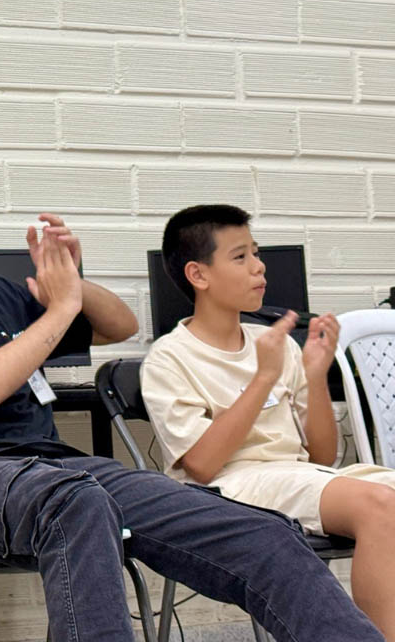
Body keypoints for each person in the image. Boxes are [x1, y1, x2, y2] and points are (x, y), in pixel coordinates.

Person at [0, 166, 385, 642]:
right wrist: (58, 310)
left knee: (262, 532)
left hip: (61, 468)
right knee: (75, 502)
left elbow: (118, 325)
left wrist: (73, 281)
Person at [141, 203, 395, 637]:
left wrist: (314, 375)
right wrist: (264, 377)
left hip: (298, 476)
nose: (259, 267)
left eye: (256, 254)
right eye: (240, 257)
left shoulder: (273, 343)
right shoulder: (168, 357)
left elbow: (322, 455)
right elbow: (201, 465)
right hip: (228, 490)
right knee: (378, 505)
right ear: (198, 275)